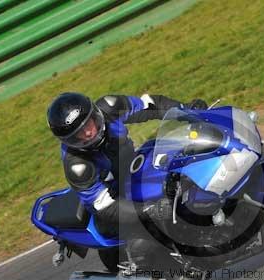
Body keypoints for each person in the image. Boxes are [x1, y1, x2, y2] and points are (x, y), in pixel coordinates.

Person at [46, 92, 207, 270]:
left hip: (132, 166)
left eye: (88, 124)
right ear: (69, 141)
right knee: (149, 228)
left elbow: (151, 105)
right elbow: (104, 207)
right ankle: (173, 269)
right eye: (79, 135)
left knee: (179, 157)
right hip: (114, 198)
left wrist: (186, 110)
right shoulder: (78, 166)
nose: (89, 132)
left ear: (95, 113)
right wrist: (146, 211)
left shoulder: (110, 107)